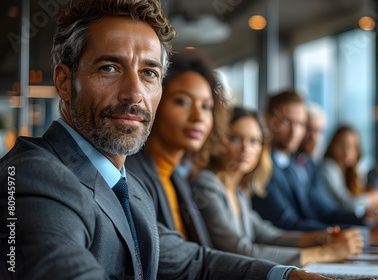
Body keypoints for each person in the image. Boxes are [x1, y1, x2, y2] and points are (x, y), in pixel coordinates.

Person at [0, 1, 334, 279]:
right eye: (109, 68)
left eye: (149, 74)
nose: (134, 94)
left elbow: (195, 262)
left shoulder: (130, 188)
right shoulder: (34, 176)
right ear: (63, 82)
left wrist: (288, 276)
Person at [191, 106, 363, 266]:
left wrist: (321, 237)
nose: (246, 149)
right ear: (219, 142)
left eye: (254, 141)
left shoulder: (238, 190)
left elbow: (268, 234)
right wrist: (326, 253)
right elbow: (239, 251)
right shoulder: (206, 184)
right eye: (236, 138)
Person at [252, 90, 378, 246]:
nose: (295, 131)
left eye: (301, 124)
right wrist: (366, 234)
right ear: (267, 119)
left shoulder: (300, 165)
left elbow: (327, 211)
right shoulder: (260, 167)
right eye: (287, 121)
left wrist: (368, 221)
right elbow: (287, 224)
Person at [125, 50, 220, 247]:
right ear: (154, 103)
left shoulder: (177, 179)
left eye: (206, 106)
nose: (198, 117)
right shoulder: (130, 177)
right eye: (182, 102)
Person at [322, 125, 378, 218]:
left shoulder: (350, 172)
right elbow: (347, 204)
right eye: (342, 144)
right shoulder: (328, 167)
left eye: (352, 147)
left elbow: (357, 209)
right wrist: (372, 198)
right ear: (332, 145)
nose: (346, 151)